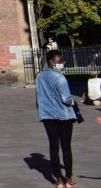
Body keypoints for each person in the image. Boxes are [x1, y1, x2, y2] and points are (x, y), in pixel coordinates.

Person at [36, 50, 78, 188]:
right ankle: (69, 178)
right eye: (59, 61)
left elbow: (39, 98)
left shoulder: (39, 77)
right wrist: (74, 103)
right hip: (64, 115)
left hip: (47, 115)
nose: (61, 64)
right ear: (51, 62)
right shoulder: (60, 78)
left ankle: (58, 179)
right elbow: (66, 99)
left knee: (53, 146)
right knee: (66, 147)